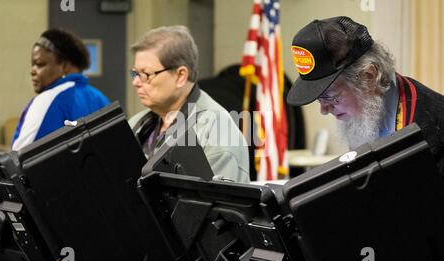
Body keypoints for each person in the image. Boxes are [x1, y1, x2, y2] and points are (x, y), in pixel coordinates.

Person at [286, 16, 444, 178]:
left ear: (368, 76)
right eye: (320, 99)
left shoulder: (434, 129)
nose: (324, 110)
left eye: (330, 97)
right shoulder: (366, 113)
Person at [128, 26, 250, 183]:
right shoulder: (136, 124)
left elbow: (213, 204)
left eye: (145, 74)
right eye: (135, 73)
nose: (135, 82)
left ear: (180, 76)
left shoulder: (216, 134)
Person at [11, 29, 110, 151]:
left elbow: (18, 159)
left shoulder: (46, 100)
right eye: (33, 64)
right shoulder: (102, 99)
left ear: (64, 66)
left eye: (39, 64)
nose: (32, 71)